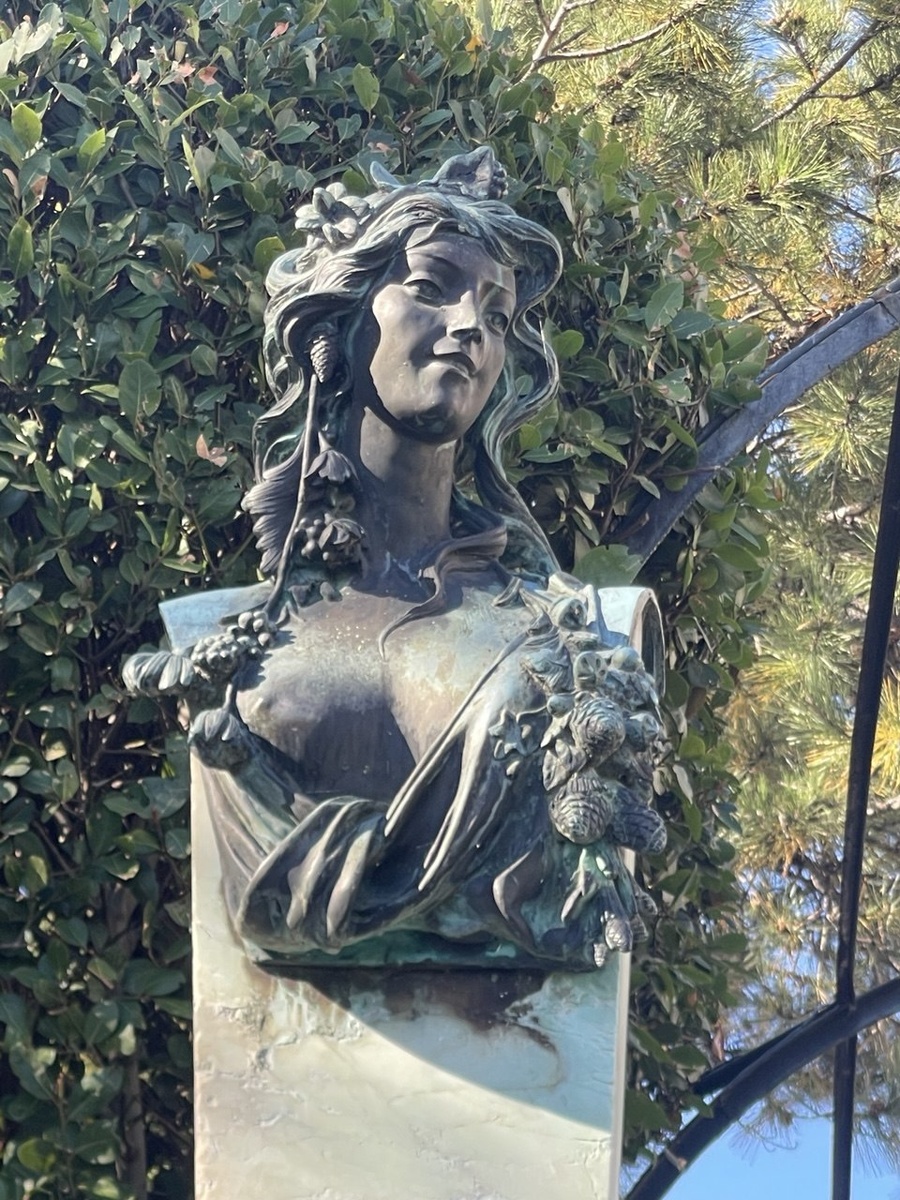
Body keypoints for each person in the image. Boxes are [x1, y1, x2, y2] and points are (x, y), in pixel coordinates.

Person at [126, 149, 665, 971]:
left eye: (497, 312)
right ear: (339, 324)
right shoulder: (213, 643)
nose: (470, 324)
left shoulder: (590, 646)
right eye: (430, 287)